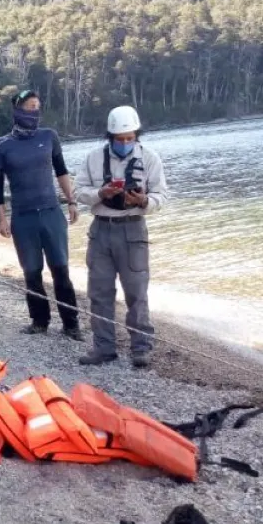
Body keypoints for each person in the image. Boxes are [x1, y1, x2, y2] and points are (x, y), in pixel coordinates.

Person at [75, 105, 169, 368]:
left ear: (136, 136)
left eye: (130, 139)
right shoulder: (93, 158)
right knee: (99, 291)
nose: (125, 143)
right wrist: (100, 194)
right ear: (110, 137)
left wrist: (144, 200)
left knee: (136, 291)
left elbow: (162, 196)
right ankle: (104, 347)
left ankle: (141, 348)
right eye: (120, 139)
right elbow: (78, 190)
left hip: (133, 228)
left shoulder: (150, 158)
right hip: (101, 228)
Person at [0, 90, 82, 340]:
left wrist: (71, 201)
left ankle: (71, 324)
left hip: (52, 213)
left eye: (37, 107)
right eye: (30, 106)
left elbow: (61, 171)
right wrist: (1, 218)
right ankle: (40, 321)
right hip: (23, 217)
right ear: (18, 109)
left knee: (61, 269)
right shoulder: (2, 145)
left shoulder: (49, 136)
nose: (35, 112)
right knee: (31, 272)